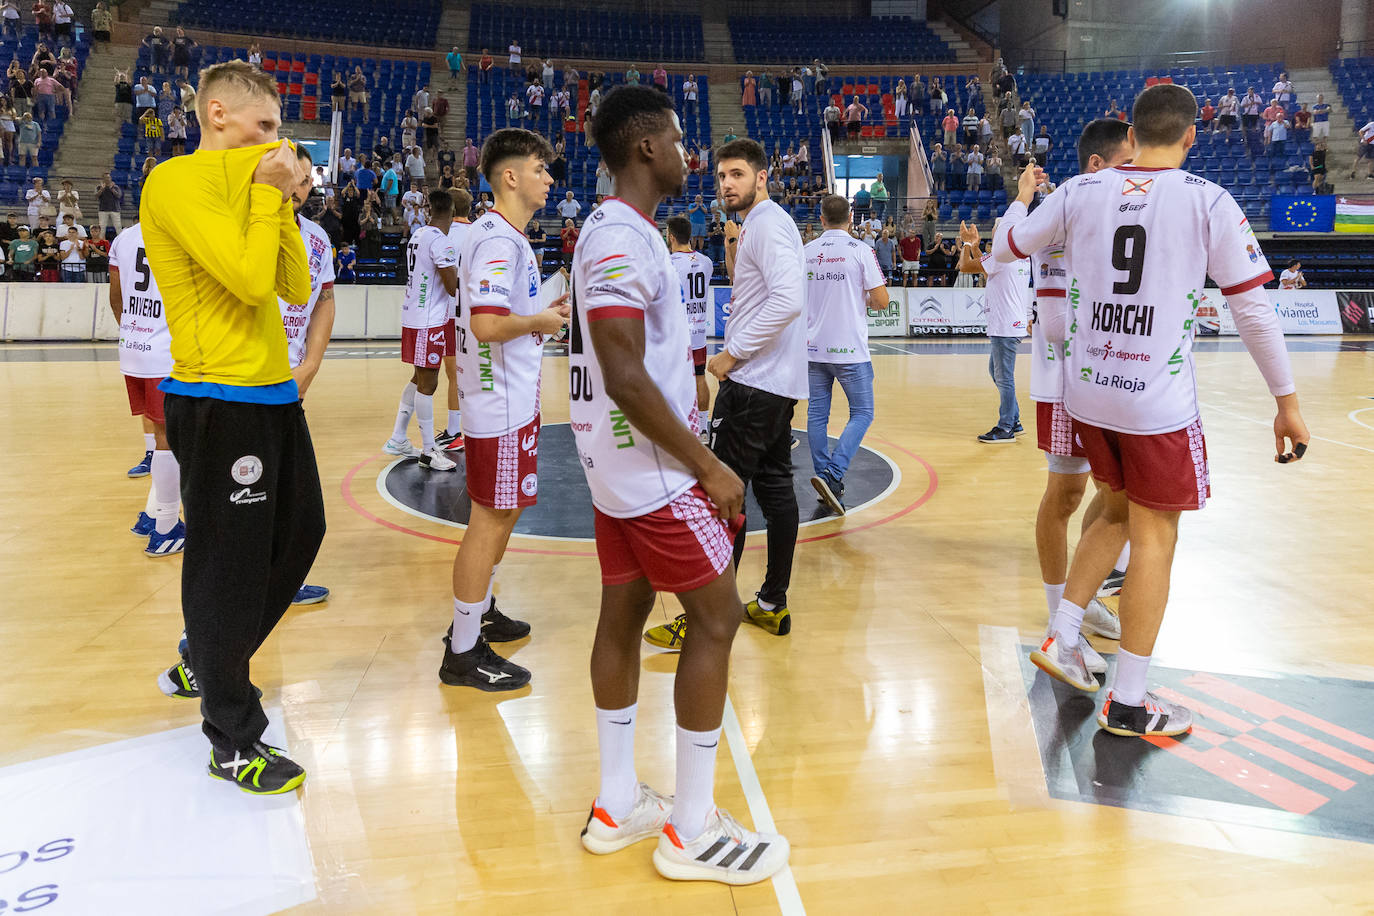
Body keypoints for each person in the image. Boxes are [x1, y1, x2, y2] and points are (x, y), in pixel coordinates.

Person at [997, 83, 1309, 736]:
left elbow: (1013, 246)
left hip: (1086, 390)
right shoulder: (1208, 201)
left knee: (1111, 510)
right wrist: (1287, 401)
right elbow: (1251, 308)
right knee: (1156, 536)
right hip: (1153, 403)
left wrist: (1024, 199)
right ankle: (1131, 701)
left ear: (1132, 135)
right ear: (1192, 135)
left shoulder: (1081, 191)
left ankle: (1063, 635)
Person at [571, 83, 789, 886]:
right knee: (720, 616)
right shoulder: (624, 237)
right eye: (675, 138)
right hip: (654, 471)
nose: (688, 154)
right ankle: (690, 828)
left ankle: (616, 801)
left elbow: (631, 365)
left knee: (623, 612)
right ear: (644, 149)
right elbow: (625, 372)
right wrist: (707, 463)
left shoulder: (611, 230)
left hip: (611, 466)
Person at [139, 60, 319, 793]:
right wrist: (270, 198)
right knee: (228, 563)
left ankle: (208, 655)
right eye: (266, 126)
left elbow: (293, 285)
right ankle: (232, 734)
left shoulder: (255, 188)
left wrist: (274, 203)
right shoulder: (175, 183)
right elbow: (248, 281)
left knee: (302, 533)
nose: (278, 143)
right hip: (217, 397)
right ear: (219, 114)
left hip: (269, 392)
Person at [645, 137, 805, 647]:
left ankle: (705, 618)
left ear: (762, 177)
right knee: (777, 491)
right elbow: (757, 288)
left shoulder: (770, 225)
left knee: (721, 496)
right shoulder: (758, 226)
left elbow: (788, 300)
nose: (726, 184)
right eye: (720, 176)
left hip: (755, 383)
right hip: (776, 385)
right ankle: (772, 603)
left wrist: (733, 356)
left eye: (737, 174)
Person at [441, 128, 568, 690]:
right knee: (489, 521)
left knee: (503, 514)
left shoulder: (490, 235)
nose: (548, 179)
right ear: (510, 177)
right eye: (540, 169)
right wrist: (541, 321)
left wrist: (541, 307)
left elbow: (491, 312)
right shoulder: (500, 241)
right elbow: (487, 325)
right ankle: (463, 651)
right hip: (502, 403)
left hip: (499, 396)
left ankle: (480, 610)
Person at [1023, 119, 1136, 661]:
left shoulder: (1132, 213)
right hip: (1066, 380)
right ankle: (1057, 612)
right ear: (1096, 165)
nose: (1136, 176)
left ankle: (1079, 596)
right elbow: (1004, 247)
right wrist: (1022, 201)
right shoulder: (1063, 207)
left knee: (1120, 497)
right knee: (1065, 496)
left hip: (1118, 374)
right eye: (1126, 164)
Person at [803, 193, 885, 515]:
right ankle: (833, 475)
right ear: (851, 218)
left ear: (821, 219)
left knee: (816, 416)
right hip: (850, 349)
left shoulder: (806, 252)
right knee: (863, 412)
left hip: (813, 348)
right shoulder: (861, 251)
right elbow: (881, 300)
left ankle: (826, 476)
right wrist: (859, 296)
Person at [109, 220, 185, 556]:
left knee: (160, 435)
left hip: (133, 345)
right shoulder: (180, 231)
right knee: (172, 438)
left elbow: (116, 299)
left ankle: (152, 514)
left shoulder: (124, 238)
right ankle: (166, 528)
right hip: (167, 350)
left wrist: (136, 332)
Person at [383, 189, 459, 469]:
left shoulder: (418, 235)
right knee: (429, 383)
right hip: (429, 321)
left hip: (413, 315)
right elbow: (453, 288)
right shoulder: (442, 242)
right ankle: (429, 451)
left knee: (418, 378)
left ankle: (398, 438)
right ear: (450, 214)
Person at [957, 219, 1030, 442]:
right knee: (995, 371)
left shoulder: (1001, 256)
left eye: (996, 230)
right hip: (1011, 323)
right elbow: (990, 271)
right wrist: (977, 247)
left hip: (1005, 325)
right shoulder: (1018, 255)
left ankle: (1006, 426)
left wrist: (968, 245)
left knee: (1004, 377)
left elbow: (965, 267)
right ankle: (1014, 419)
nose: (994, 234)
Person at [435, 186, 474, 451]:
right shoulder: (478, 233)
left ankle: (454, 430)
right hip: (474, 314)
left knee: (453, 375)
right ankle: (462, 428)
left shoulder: (442, 235)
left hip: (448, 312)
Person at [667, 215, 713, 426]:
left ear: (671, 237)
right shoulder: (706, 262)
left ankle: (677, 428)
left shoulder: (668, 264)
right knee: (700, 378)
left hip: (675, 336)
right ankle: (703, 427)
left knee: (671, 382)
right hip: (698, 335)